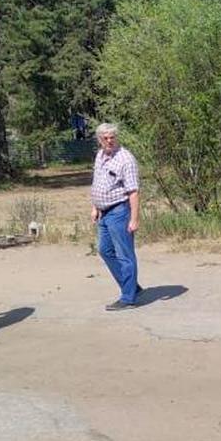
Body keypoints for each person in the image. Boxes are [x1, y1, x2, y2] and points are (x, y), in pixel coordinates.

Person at [90, 123, 143, 311]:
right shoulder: (100, 156)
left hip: (120, 211)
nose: (109, 140)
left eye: (112, 137)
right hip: (103, 213)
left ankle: (128, 298)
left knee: (125, 254)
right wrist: (95, 207)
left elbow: (133, 191)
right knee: (105, 250)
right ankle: (132, 286)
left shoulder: (125, 159)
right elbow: (98, 182)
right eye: (105, 137)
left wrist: (134, 219)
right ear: (99, 139)